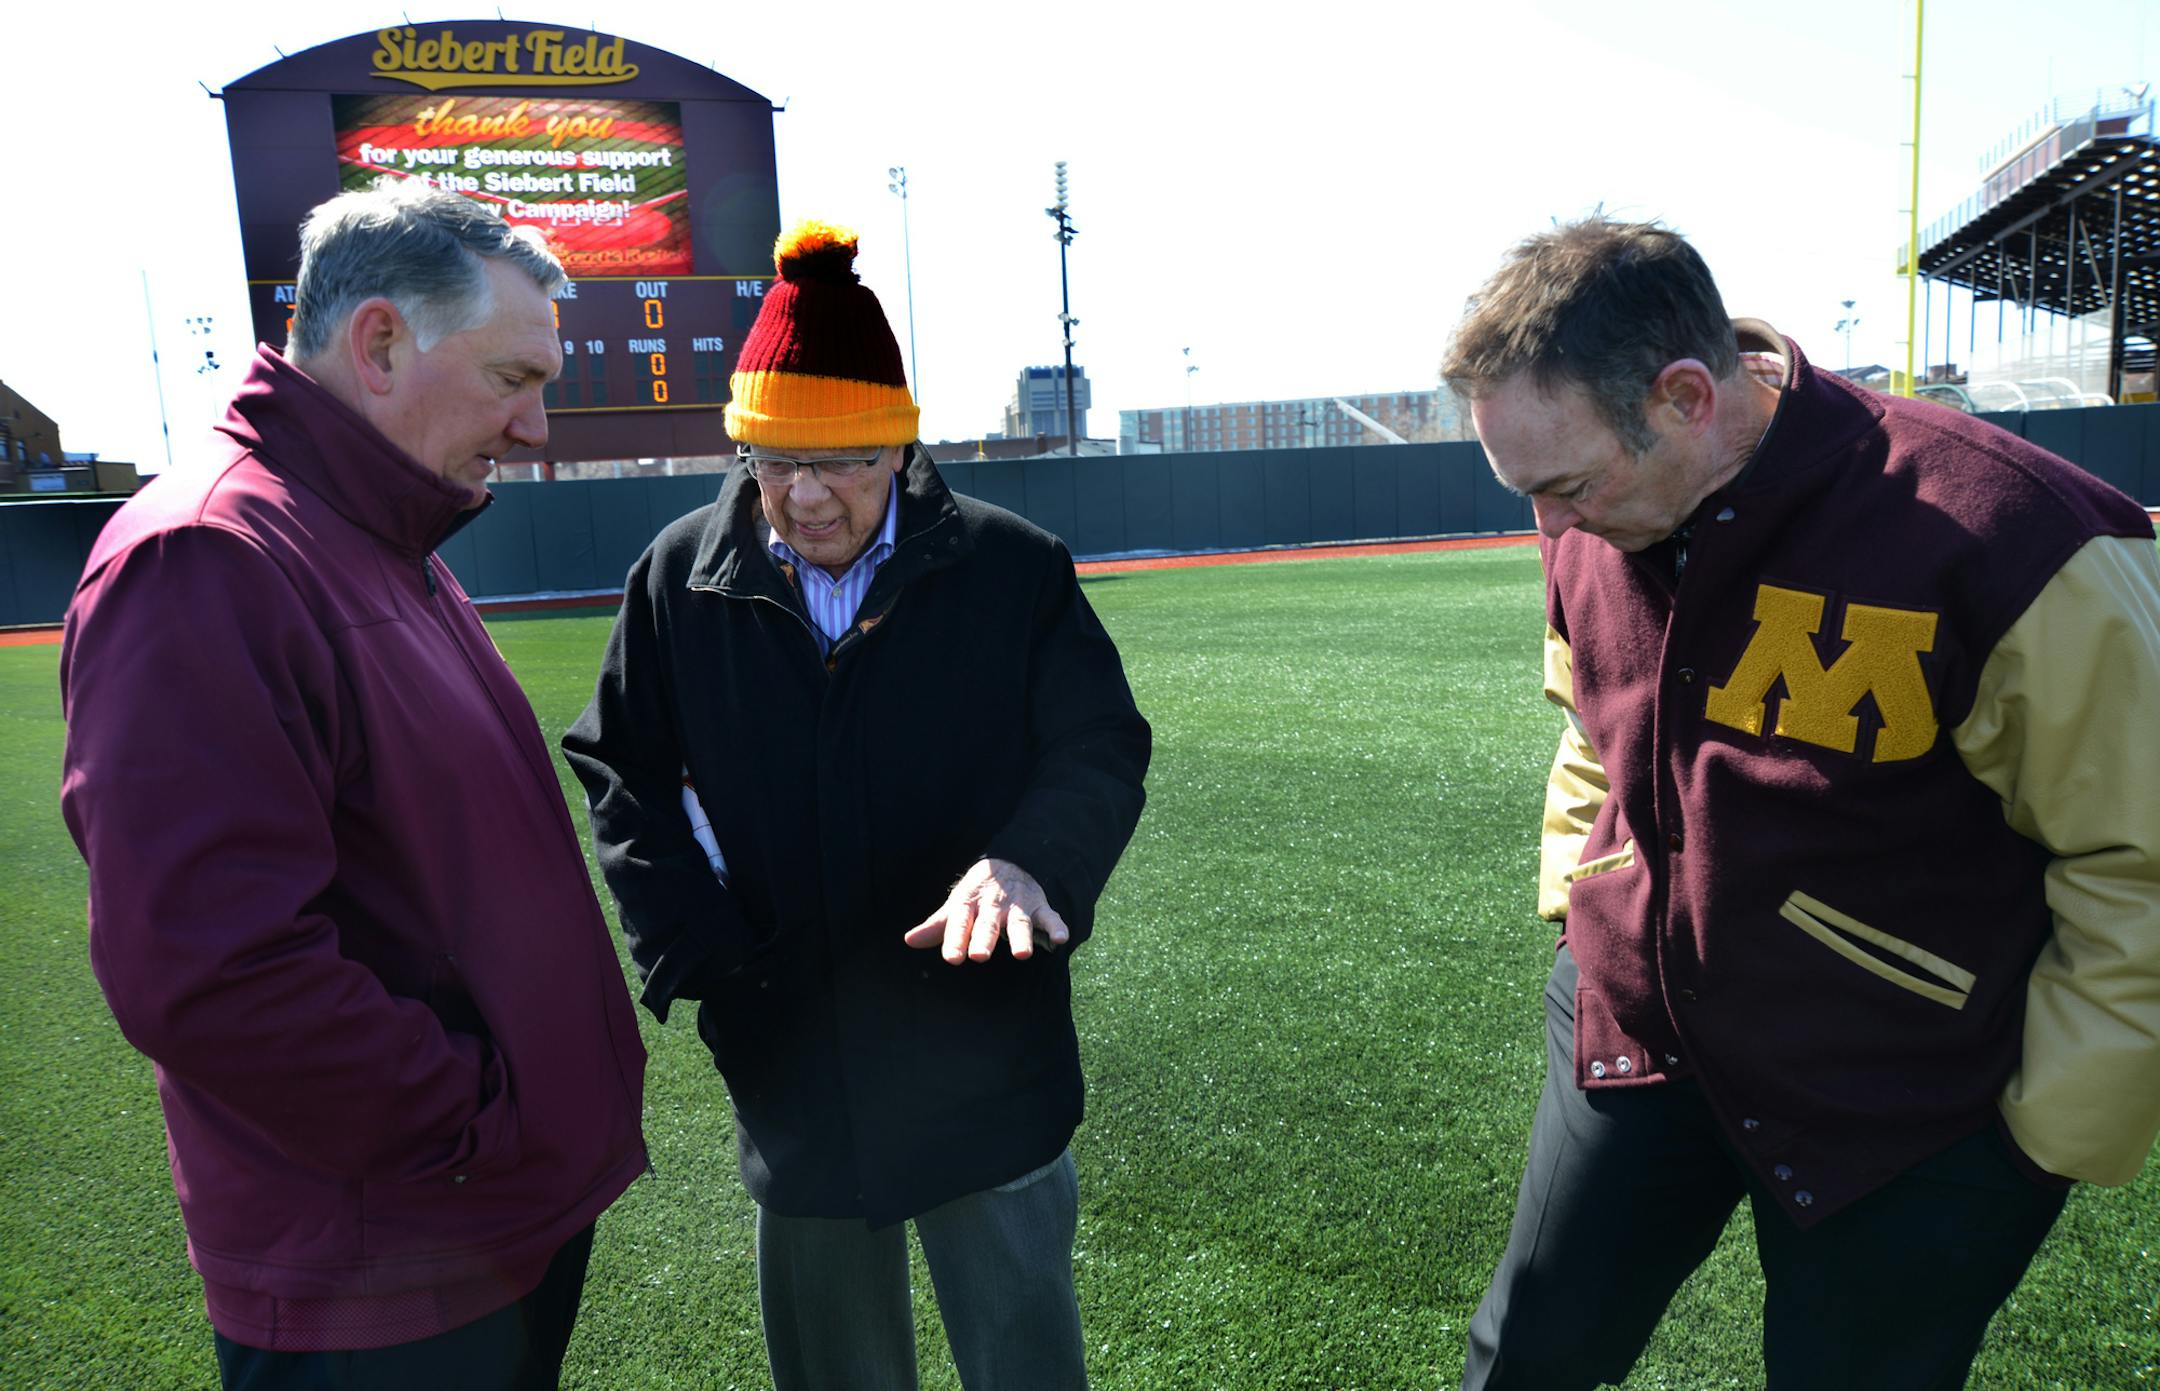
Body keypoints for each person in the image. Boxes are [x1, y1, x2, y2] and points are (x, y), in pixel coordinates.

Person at [1439, 216, 2160, 1390]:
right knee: (1527, 1357)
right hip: (1639, 1033)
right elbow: (1589, 726)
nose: (1550, 528)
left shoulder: (2017, 531)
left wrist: (2037, 1147)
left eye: (1566, 483)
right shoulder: (1581, 527)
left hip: (1908, 1095)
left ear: (1685, 397)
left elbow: (2141, 857)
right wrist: (1582, 905)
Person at [58, 180, 648, 1390]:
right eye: (511, 380)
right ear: (380, 342)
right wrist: (476, 1125)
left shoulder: (372, 529)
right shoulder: (209, 557)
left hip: (474, 1225)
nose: (535, 427)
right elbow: (215, 973)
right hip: (386, 1272)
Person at [562, 219, 1150, 1391]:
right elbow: (618, 768)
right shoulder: (677, 575)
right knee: (834, 1370)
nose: (809, 494)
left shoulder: (1009, 564)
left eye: (844, 462)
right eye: (776, 464)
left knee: (1024, 1354)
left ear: (900, 443)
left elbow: (1099, 742)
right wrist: (697, 949)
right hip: (791, 1050)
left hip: (986, 1043)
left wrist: (1032, 861)